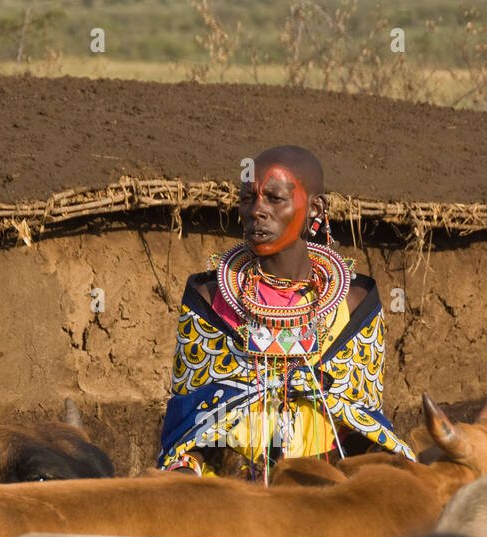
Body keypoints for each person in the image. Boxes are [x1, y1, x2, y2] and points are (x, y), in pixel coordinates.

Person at [157, 145, 414, 480]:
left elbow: (361, 418)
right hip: (229, 492)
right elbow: (188, 422)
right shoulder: (210, 299)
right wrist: (184, 473)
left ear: (314, 208)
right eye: (248, 198)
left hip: (323, 484)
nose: (256, 211)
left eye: (274, 198)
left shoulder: (354, 305)